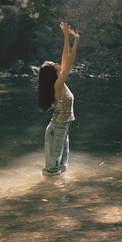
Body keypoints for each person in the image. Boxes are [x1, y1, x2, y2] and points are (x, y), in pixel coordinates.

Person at [38, 21, 80, 176]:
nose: (55, 62)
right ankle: (48, 190)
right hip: (57, 129)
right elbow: (69, 63)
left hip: (63, 128)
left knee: (61, 168)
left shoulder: (58, 82)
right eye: (52, 63)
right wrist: (76, 40)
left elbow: (65, 59)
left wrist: (66, 36)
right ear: (52, 72)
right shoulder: (57, 85)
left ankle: (58, 190)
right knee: (52, 170)